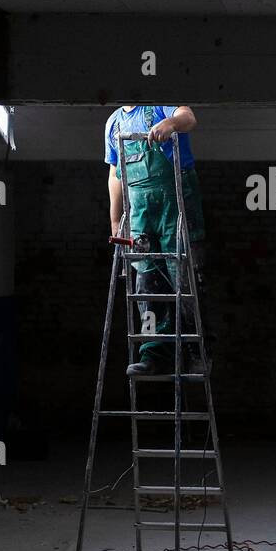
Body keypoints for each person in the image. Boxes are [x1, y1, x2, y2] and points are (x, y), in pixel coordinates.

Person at [104, 105, 207, 377]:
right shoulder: (113, 123)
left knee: (184, 280)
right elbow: (115, 175)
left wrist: (171, 123)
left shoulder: (160, 105)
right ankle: (153, 353)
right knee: (146, 284)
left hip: (174, 205)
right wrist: (116, 222)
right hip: (140, 212)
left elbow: (189, 118)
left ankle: (197, 352)